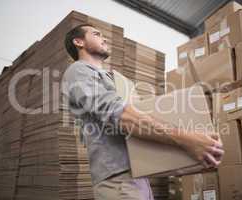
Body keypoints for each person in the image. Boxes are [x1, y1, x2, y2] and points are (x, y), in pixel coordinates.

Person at [62, 24, 224, 200]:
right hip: (118, 181)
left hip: (136, 176)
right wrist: (187, 140)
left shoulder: (114, 80)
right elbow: (122, 117)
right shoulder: (78, 71)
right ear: (78, 42)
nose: (105, 38)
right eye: (96, 34)